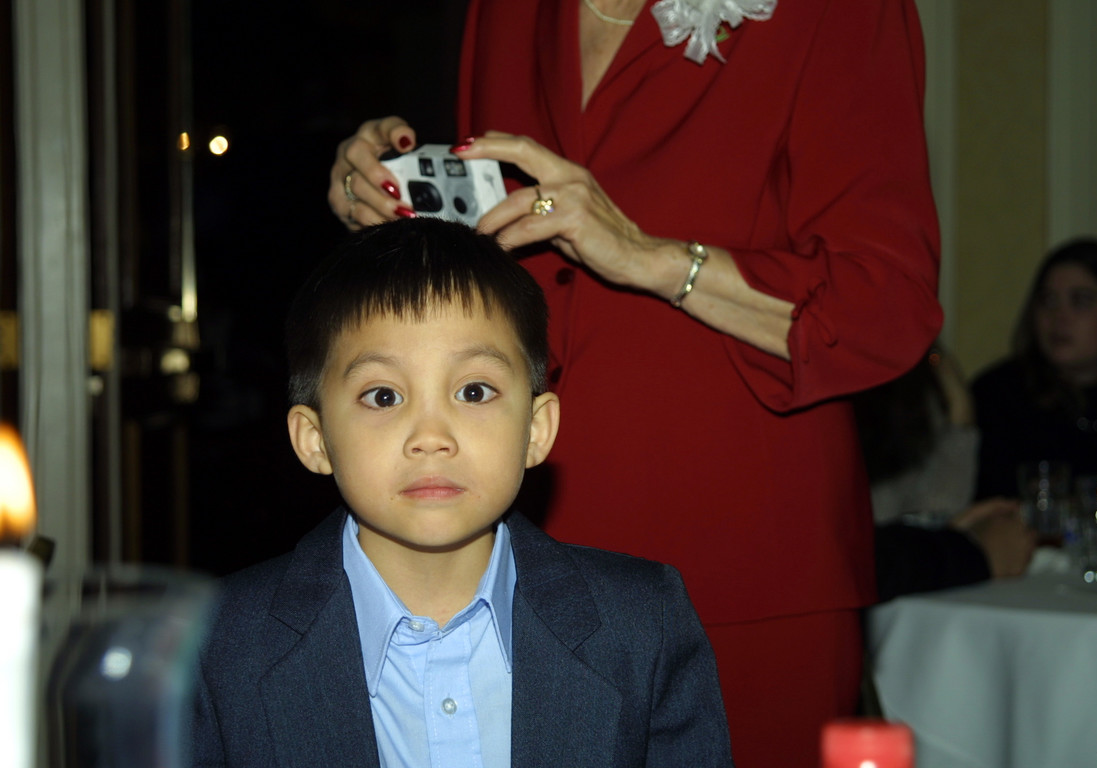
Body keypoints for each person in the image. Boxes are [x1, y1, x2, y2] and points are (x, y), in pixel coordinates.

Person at [328, 2, 943, 762]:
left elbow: (887, 311)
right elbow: (499, 256)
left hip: (740, 563)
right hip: (509, 555)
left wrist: (646, 255)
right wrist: (395, 202)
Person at [190, 218, 734, 767]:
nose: (431, 437)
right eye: (383, 396)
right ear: (315, 439)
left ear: (536, 429)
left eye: (474, 391)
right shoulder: (214, 644)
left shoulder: (644, 623)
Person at [972, 239, 1097, 505]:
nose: (1059, 317)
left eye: (1081, 301)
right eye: (1048, 301)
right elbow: (993, 504)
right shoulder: (998, 393)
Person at [855, 348, 1036, 601]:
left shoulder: (912, 389)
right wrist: (968, 550)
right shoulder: (823, 401)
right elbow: (854, 560)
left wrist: (949, 535)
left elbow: (931, 510)